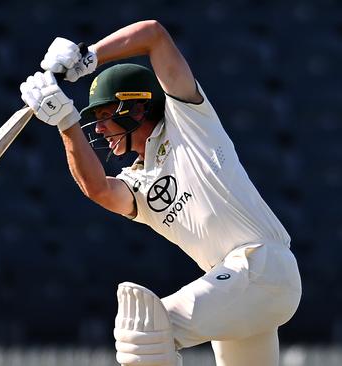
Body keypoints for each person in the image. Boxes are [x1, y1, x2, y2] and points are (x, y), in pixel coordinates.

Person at [19, 20, 302, 366]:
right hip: (235, 288)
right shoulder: (137, 181)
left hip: (262, 266)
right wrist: (66, 122)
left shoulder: (188, 121)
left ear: (138, 107)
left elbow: (153, 35)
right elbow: (98, 188)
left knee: (147, 330)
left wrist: (89, 57)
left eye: (106, 114)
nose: (101, 128)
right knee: (150, 331)